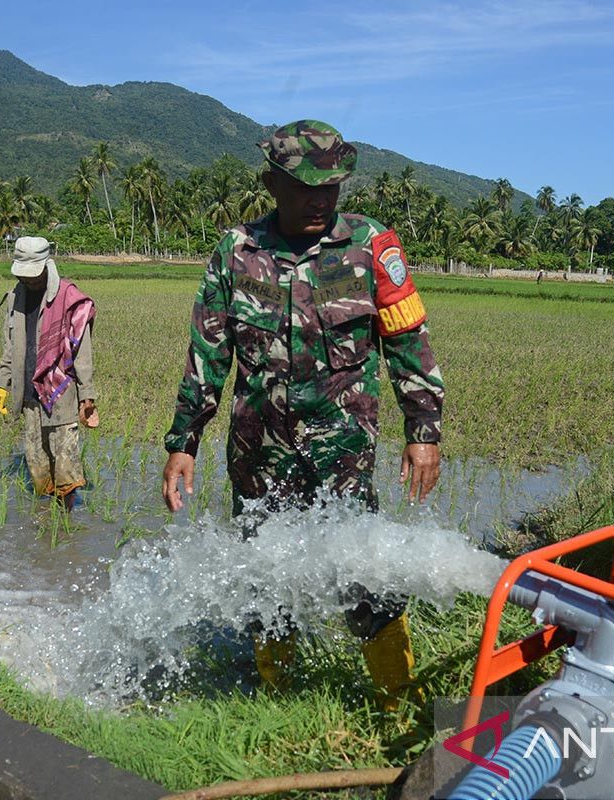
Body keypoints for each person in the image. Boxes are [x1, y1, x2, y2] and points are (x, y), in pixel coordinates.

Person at [160, 120, 445, 709]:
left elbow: (408, 340)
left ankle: (398, 699)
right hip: (258, 452)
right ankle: (277, 696)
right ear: (272, 183)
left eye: (331, 187)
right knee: (265, 575)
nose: (318, 199)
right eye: (303, 187)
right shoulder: (237, 252)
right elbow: (208, 352)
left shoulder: (372, 247)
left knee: (366, 577)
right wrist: (183, 441)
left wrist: (423, 429)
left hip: (342, 450)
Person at [0, 236, 98, 509]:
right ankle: (46, 524)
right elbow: (10, 345)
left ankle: (66, 524)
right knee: (37, 461)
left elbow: (82, 353)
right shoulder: (15, 297)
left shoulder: (69, 299)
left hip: (61, 392)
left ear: (46, 265)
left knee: (65, 463)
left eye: (33, 275)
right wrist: (2, 383)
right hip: (28, 392)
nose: (29, 280)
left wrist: (87, 395)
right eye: (23, 275)